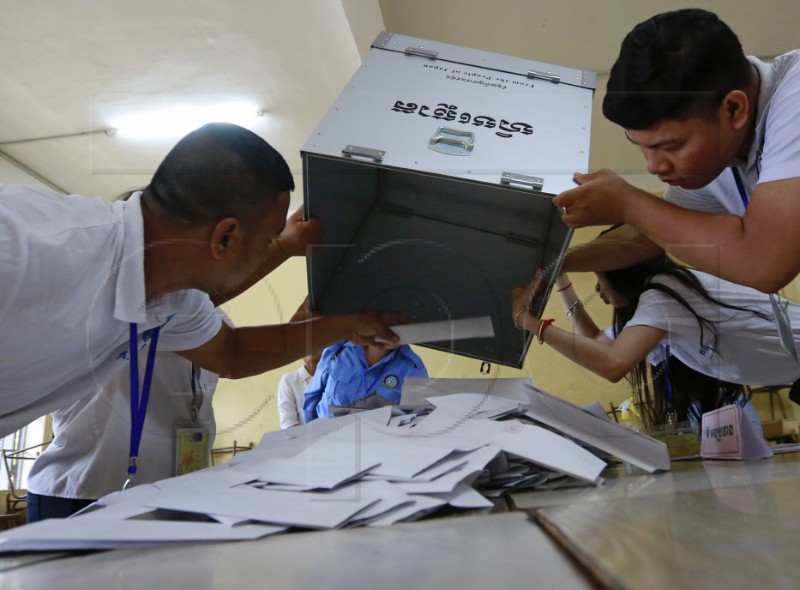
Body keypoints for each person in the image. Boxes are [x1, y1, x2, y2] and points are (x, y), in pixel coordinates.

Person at [0, 122, 403, 438]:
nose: (269, 251)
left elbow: (232, 353)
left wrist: (352, 324)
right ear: (224, 237)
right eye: (266, 241)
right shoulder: (29, 247)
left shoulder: (173, 299)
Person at [552, 9, 800, 294]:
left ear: (734, 109)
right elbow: (649, 235)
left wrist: (628, 203)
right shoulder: (717, 155)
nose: (653, 166)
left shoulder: (795, 96)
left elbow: (764, 264)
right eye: (642, 146)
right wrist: (558, 263)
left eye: (670, 146)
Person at [512, 246, 800, 427]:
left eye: (601, 279)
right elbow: (598, 344)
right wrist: (562, 282)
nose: (599, 290)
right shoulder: (658, 307)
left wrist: (528, 321)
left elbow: (612, 364)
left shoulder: (664, 295)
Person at [26, 352, 220, 521]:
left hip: (178, 491)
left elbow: (233, 359)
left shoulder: (212, 319)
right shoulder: (102, 314)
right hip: (86, 490)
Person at [302, 341, 428, 421]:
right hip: (326, 443)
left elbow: (417, 424)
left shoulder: (413, 368)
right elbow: (311, 399)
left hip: (375, 453)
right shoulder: (339, 348)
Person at [277, 351, 321, 429]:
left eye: (315, 342)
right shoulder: (289, 380)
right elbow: (288, 424)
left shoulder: (334, 376)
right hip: (304, 440)